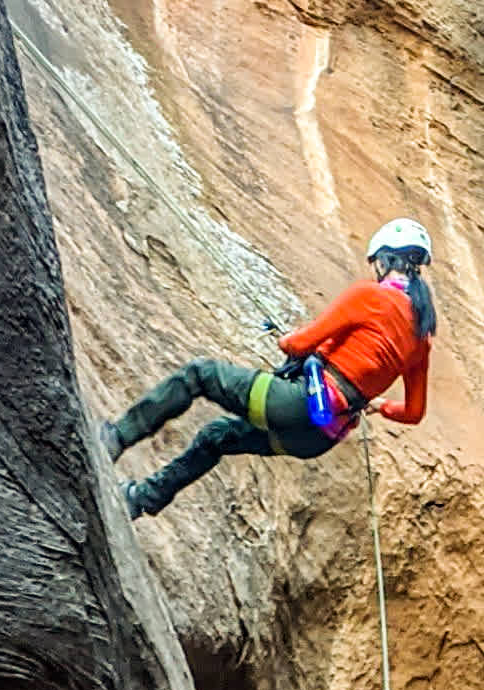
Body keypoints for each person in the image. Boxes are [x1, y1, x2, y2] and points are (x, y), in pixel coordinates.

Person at [107, 220, 438, 518]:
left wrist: (289, 339)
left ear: (384, 260)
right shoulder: (422, 338)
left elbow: (297, 345)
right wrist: (380, 405)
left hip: (296, 405)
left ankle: (117, 437)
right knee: (217, 437)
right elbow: (414, 412)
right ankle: (139, 500)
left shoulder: (371, 296)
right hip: (317, 437)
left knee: (199, 375)